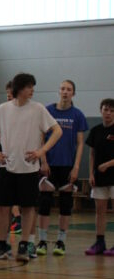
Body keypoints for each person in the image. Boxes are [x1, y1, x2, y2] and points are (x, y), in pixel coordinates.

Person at [0, 73, 62, 262]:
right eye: (29, 86)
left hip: (29, 168)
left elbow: (57, 131)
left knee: (28, 207)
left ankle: (24, 244)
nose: (32, 90)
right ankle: (2, 245)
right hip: (7, 167)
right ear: (19, 88)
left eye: (32, 86)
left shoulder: (38, 109)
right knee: (3, 207)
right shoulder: (3, 109)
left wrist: (42, 150)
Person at [36, 79, 88, 256]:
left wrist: (76, 167)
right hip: (49, 165)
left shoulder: (78, 115)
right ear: (59, 91)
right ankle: (42, 241)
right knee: (44, 203)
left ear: (73, 93)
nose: (65, 92)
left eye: (69, 89)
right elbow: (40, 138)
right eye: (63, 89)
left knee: (66, 205)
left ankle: (61, 242)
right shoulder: (48, 111)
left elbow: (80, 143)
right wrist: (43, 161)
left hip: (68, 165)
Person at [84, 98, 114, 256]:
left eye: (112, 110)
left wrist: (108, 164)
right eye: (106, 110)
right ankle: (100, 242)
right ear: (101, 111)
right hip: (99, 178)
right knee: (100, 211)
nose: (108, 113)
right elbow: (92, 154)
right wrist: (90, 173)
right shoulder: (95, 130)